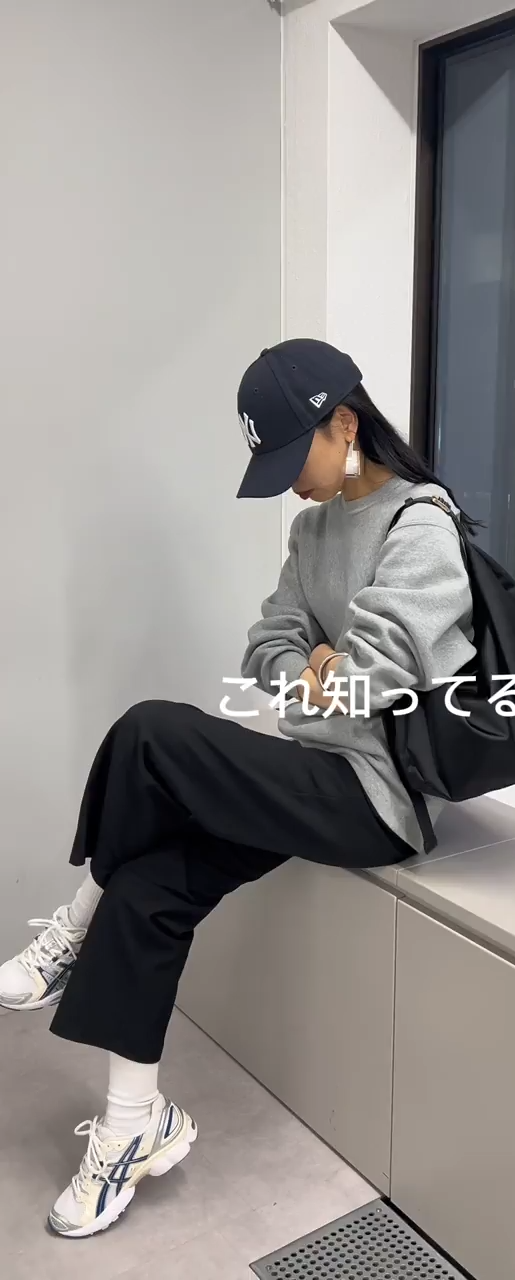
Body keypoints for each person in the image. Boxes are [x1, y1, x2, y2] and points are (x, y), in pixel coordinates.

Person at [0, 338, 477, 1238]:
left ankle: (75, 920)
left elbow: (370, 683)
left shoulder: (422, 526)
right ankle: (134, 1126)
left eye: (295, 459)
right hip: (308, 771)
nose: (290, 484)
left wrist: (327, 669)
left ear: (344, 425)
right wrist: (315, 666)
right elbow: (266, 647)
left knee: (151, 730)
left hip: (377, 799)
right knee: (151, 888)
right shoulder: (313, 532)